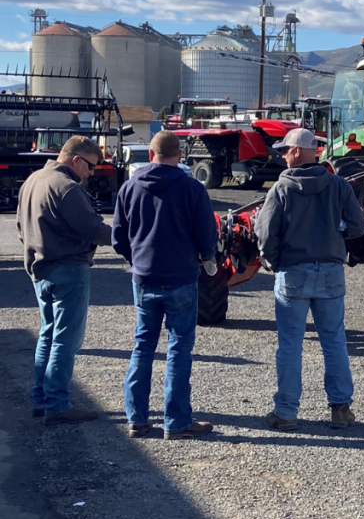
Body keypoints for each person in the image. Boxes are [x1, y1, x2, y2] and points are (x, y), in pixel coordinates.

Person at [255, 127, 364, 431]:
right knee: (334, 341)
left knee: (290, 344)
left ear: (297, 151)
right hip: (330, 271)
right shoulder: (339, 186)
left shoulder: (281, 189)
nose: (282, 155)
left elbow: (265, 233)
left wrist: (272, 260)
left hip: (293, 271)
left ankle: (286, 411)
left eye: (285, 149)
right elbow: (358, 225)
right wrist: (335, 237)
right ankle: (341, 410)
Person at [112, 130, 218, 440]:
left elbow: (119, 238)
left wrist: (137, 259)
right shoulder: (192, 189)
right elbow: (206, 236)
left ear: (150, 154)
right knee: (179, 349)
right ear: (180, 155)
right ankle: (176, 421)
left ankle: (137, 419)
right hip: (182, 278)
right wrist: (204, 257)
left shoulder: (129, 189)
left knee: (143, 346)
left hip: (144, 278)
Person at [16, 135, 113, 425]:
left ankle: (41, 398)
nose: (91, 173)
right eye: (91, 166)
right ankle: (57, 403)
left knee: (47, 334)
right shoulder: (67, 188)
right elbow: (92, 228)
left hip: (39, 268)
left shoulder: (33, 180)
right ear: (75, 160)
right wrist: (129, 239)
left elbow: (21, 226)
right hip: (68, 268)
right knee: (66, 340)